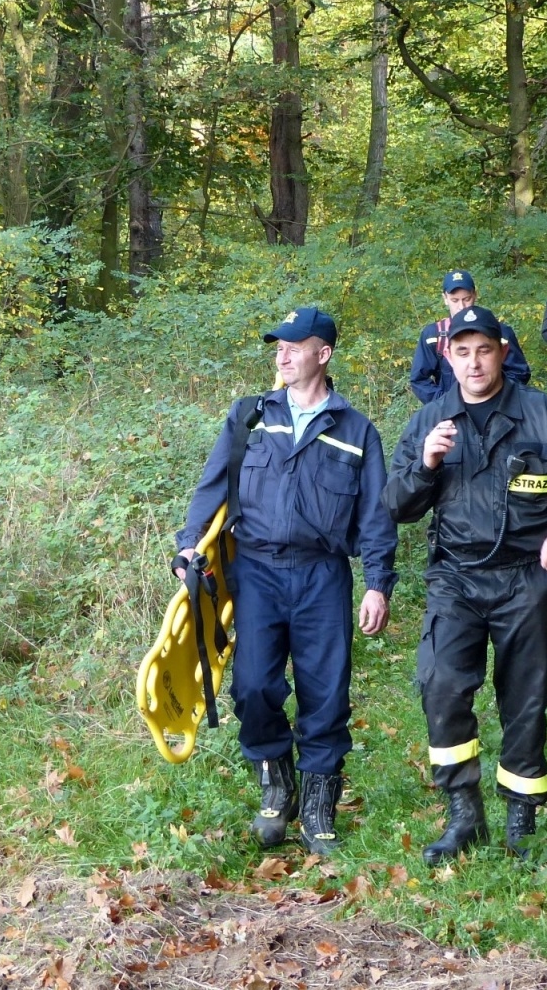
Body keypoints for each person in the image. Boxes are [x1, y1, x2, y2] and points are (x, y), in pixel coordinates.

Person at [176, 308, 398, 854]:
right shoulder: (250, 417)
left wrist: (377, 582)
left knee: (326, 691)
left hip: (322, 575)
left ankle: (320, 805)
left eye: (294, 346)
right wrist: (188, 542)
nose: (281, 354)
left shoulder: (355, 430)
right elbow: (213, 487)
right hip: (255, 572)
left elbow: (375, 514)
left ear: (322, 355)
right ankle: (277, 788)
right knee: (252, 685)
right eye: (278, 345)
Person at [384, 306, 547, 863]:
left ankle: (520, 815)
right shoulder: (429, 422)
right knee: (440, 683)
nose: (474, 362)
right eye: (462, 351)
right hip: (454, 578)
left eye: (484, 350)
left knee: (524, 697)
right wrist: (426, 465)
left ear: (503, 351)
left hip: (527, 576)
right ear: (447, 356)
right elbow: (397, 505)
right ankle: (463, 811)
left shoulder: (544, 413)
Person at [411, 270, 531, 403]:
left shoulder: (500, 333)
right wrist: (445, 403)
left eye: (466, 299)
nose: (461, 307)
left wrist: (494, 398)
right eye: (454, 300)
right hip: (450, 415)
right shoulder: (434, 335)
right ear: (445, 299)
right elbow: (419, 379)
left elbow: (520, 373)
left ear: (475, 295)